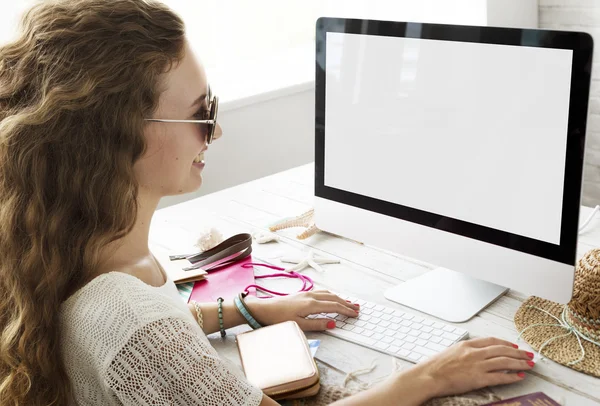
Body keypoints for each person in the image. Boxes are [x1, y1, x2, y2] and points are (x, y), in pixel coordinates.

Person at [0, 1, 535, 405]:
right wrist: (426, 378)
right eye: (201, 111)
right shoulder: (126, 316)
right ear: (119, 136)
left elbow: (138, 331)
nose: (216, 130)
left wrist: (246, 310)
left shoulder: (68, 242)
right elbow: (133, 330)